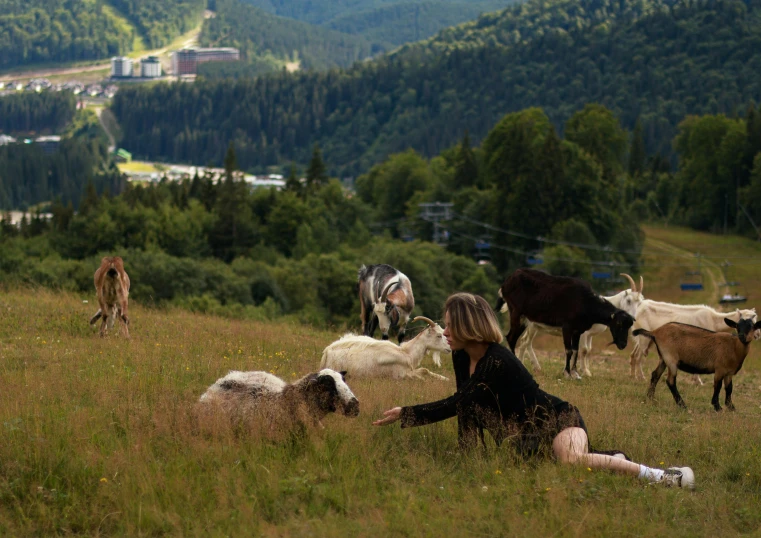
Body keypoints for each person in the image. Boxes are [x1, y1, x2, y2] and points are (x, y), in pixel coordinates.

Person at [373, 292, 695, 488]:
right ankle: (612, 459)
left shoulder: (498, 361)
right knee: (557, 464)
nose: (444, 332)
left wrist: (409, 413)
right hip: (526, 438)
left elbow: (458, 402)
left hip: (559, 421)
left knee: (569, 459)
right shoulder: (460, 356)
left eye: (450, 325)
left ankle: (661, 476)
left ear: (471, 327)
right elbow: (467, 409)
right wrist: (469, 457)